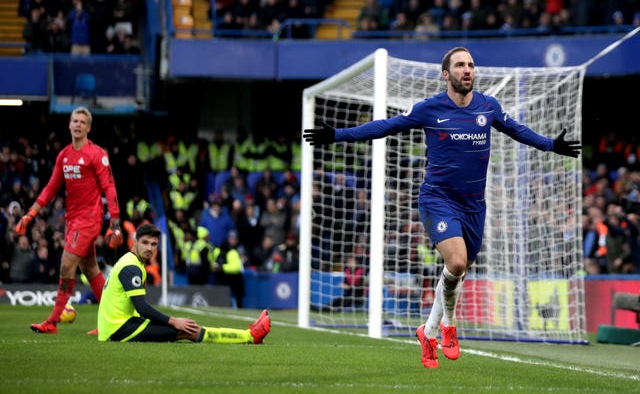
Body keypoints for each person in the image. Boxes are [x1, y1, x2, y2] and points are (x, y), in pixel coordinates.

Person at [303, 46, 581, 369]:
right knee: (458, 262)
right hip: (438, 200)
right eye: (461, 65)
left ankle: (428, 331)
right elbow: (385, 126)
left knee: (456, 274)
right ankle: (450, 326)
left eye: (471, 65)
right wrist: (337, 134)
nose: (468, 70)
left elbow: (517, 129)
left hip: (474, 206)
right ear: (446, 74)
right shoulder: (430, 109)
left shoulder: (488, 107)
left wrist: (551, 144)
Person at [16, 106, 124, 334]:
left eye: (82, 122)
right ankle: (111, 321)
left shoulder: (97, 155)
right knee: (91, 269)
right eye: (75, 121)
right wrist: (30, 214)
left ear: (88, 128)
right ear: (69, 124)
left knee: (66, 264)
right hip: (72, 221)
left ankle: (52, 321)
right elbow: (50, 188)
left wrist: (115, 223)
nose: (77, 125)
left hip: (89, 220)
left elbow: (109, 187)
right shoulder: (64, 156)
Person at [97, 223, 271, 344]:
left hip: (119, 325)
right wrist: (173, 321)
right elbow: (141, 307)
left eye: (153, 244)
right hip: (119, 329)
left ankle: (249, 335)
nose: (149, 248)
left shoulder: (130, 261)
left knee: (185, 326)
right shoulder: (131, 267)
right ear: (134, 242)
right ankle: (250, 336)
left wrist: (167, 322)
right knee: (188, 329)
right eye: (145, 243)